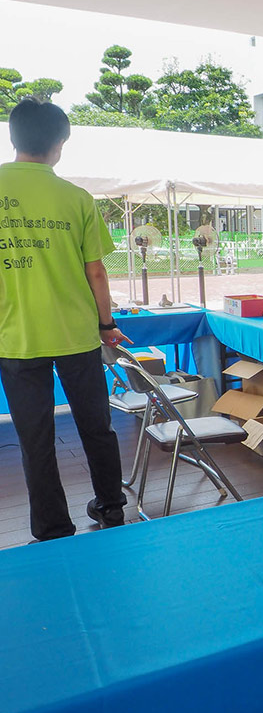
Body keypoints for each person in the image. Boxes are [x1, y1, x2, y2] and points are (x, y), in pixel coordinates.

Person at [0, 98, 130, 541]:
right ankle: (111, 507)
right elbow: (97, 272)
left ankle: (53, 528)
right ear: (58, 144)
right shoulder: (77, 198)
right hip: (76, 335)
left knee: (34, 438)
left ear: (14, 137)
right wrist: (106, 325)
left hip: (15, 337)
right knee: (97, 427)